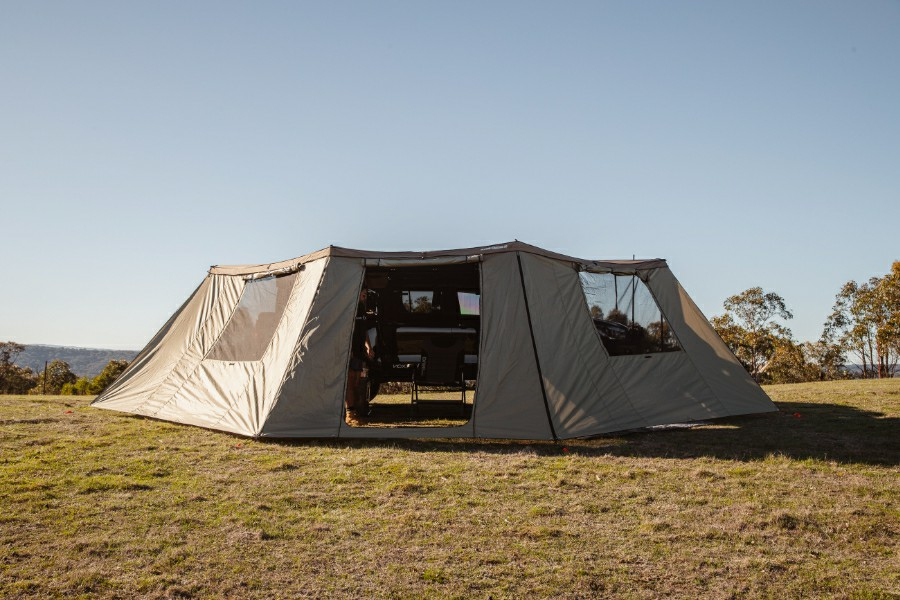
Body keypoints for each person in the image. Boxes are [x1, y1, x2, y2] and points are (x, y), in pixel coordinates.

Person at [346, 288, 375, 423]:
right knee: (350, 381)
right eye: (363, 292)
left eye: (366, 293)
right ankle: (349, 414)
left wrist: (368, 347)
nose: (365, 294)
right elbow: (347, 330)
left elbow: (364, 331)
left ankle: (356, 411)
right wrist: (349, 349)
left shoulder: (362, 308)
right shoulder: (349, 307)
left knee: (358, 382)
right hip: (350, 350)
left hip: (360, 351)